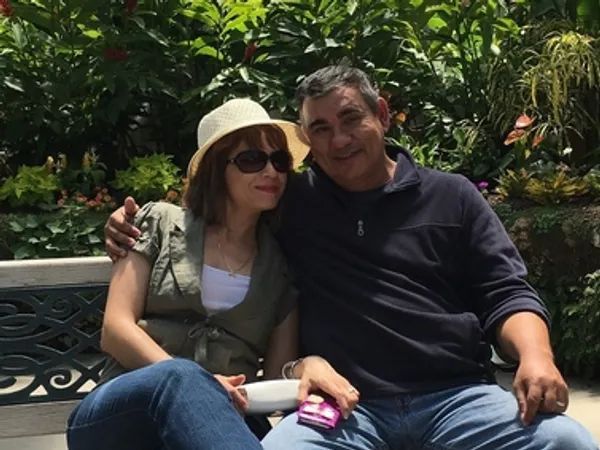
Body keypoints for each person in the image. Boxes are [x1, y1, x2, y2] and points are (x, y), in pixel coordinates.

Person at [105, 67, 599, 449]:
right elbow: (214, 215)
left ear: (380, 114)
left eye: (350, 119)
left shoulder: (453, 197)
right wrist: (125, 226)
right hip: (342, 406)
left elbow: (506, 292)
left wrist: (536, 356)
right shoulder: (291, 202)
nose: (338, 140)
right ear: (308, 140)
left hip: (457, 396)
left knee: (565, 441)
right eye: (320, 129)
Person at [68, 98, 323, 450]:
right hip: (123, 412)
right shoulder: (158, 223)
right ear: (216, 168)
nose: (271, 172)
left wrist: (304, 367)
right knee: (181, 376)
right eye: (252, 159)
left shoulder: (280, 269)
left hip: (219, 421)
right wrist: (200, 382)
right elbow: (115, 330)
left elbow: (276, 376)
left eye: (279, 161)